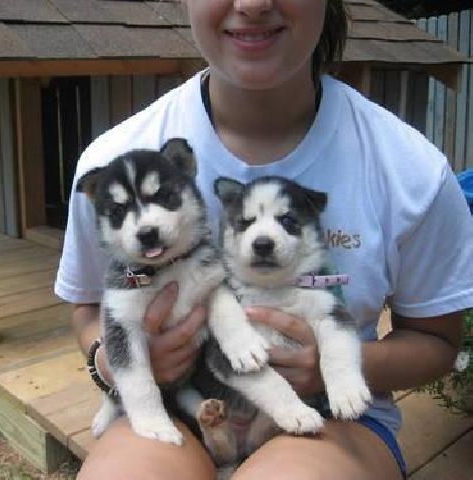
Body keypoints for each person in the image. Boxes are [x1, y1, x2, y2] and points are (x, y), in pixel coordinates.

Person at [54, 0, 473, 478]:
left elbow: (436, 342)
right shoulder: (110, 165)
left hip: (332, 415)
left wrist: (335, 363)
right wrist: (108, 365)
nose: (252, 3)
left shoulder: (410, 169)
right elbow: (90, 306)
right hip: (177, 406)